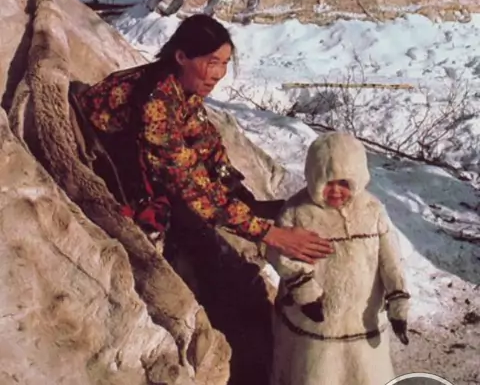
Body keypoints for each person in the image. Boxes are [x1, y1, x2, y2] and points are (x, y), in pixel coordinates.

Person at [77, 13, 333, 263]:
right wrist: (270, 234)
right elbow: (186, 185)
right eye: (212, 62)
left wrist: (246, 202)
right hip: (113, 158)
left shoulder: (182, 87)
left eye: (225, 63)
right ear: (181, 57)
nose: (219, 73)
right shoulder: (156, 103)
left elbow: (207, 146)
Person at [267, 131, 410, 385]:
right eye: (327, 182)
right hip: (316, 311)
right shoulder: (297, 212)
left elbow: (390, 259)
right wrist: (305, 292)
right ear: (314, 178)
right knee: (317, 363)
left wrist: (397, 299)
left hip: (362, 313)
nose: (336, 191)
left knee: (363, 367)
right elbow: (282, 255)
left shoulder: (372, 210)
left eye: (344, 182)